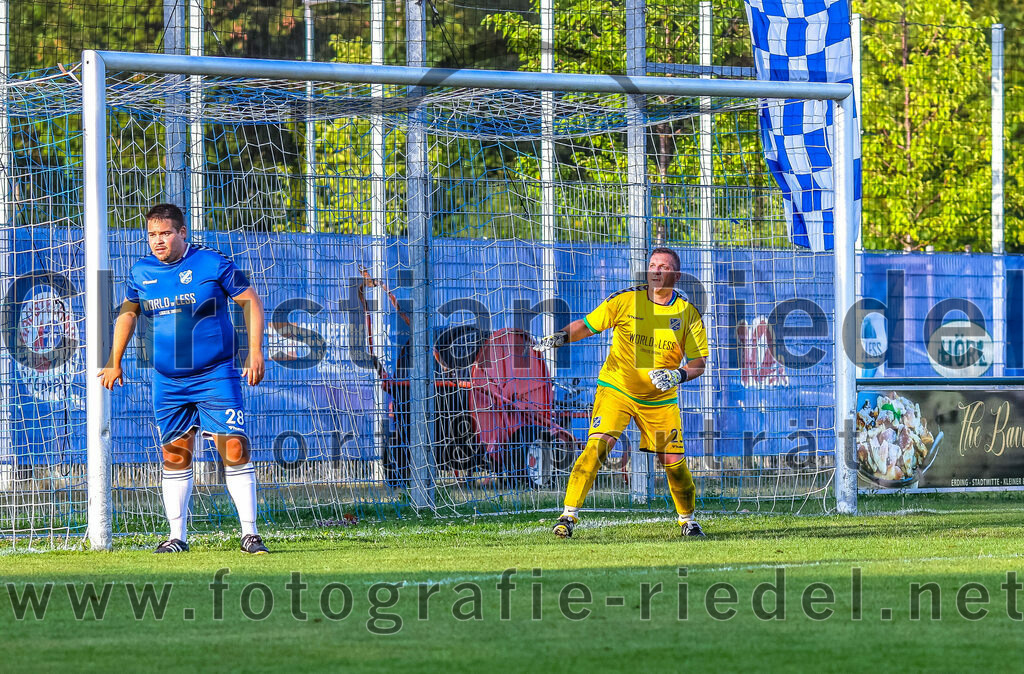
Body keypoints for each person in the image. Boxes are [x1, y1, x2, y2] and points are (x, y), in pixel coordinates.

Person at [98, 203, 269, 554]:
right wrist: (113, 361)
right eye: (152, 235)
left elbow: (250, 301)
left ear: (182, 233)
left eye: (165, 234)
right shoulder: (141, 272)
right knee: (175, 454)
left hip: (215, 374)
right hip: (169, 380)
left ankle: (250, 534)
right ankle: (177, 537)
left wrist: (255, 352)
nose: (158, 241)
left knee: (233, 447)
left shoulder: (211, 262)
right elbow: (127, 315)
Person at [534, 247, 709, 538]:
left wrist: (677, 374)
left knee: (674, 465)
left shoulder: (687, 314)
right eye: (652, 265)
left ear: (676, 275)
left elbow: (698, 363)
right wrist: (562, 337)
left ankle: (688, 521)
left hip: (660, 400)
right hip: (617, 389)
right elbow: (588, 325)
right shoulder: (627, 300)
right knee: (597, 447)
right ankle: (568, 517)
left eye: (663, 267)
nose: (655, 271)